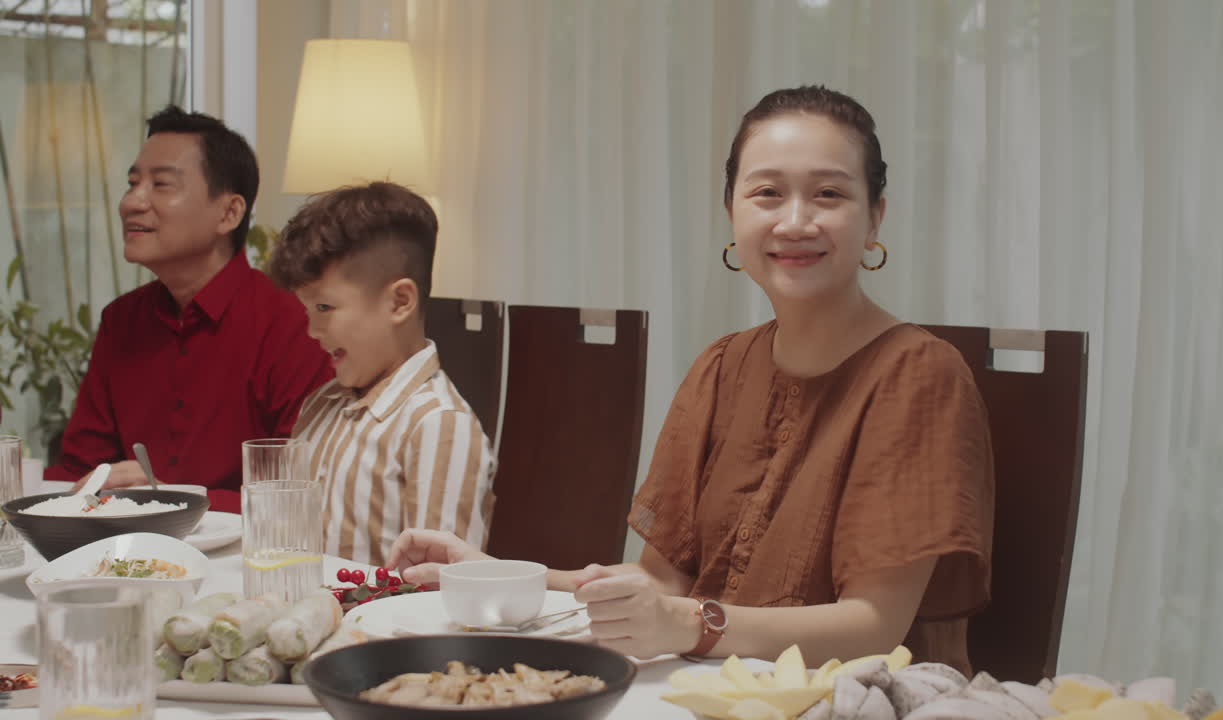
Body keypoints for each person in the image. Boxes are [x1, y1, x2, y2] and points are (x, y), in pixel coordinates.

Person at [388, 86, 994, 672]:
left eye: (829, 194)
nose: (795, 221)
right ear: (731, 211)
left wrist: (688, 625)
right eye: (767, 193)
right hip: (714, 689)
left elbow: (873, 628)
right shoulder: (722, 367)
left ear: (875, 217)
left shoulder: (919, 373)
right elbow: (658, 585)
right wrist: (496, 573)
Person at [49, 106, 332, 513]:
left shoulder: (291, 322)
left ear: (229, 213)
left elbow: (298, 497)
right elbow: (81, 470)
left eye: (161, 184)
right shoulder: (121, 321)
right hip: (122, 555)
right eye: (132, 183)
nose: (131, 202)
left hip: (249, 561)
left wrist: (172, 499)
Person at [268, 182, 497, 567]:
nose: (311, 330)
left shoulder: (439, 425)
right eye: (307, 310)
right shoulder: (319, 404)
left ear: (399, 302)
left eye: (324, 307)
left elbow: (438, 588)